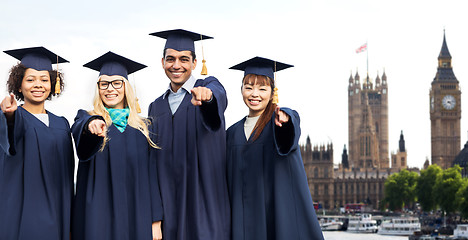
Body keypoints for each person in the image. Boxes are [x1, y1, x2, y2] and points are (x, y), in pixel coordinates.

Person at [227, 57, 324, 240]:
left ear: (273, 93)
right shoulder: (231, 134)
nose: (254, 94)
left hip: (273, 219)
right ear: (241, 90)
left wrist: (286, 120)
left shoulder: (277, 123)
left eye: (262, 89)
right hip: (240, 223)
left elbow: (289, 133)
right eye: (248, 87)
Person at [70, 51, 163, 240]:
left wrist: (156, 222)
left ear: (126, 87)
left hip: (136, 213)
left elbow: (152, 177)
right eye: (103, 84)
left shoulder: (143, 128)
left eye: (116, 83)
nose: (109, 89)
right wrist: (92, 125)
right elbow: (80, 131)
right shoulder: (87, 117)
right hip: (97, 214)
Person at [148, 29, 230, 240]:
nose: (176, 65)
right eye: (170, 59)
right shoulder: (155, 107)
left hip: (204, 207)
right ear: (162, 62)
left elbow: (217, 100)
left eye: (184, 59)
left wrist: (208, 99)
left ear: (194, 63)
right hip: (169, 212)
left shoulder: (209, 87)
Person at [0, 47, 74, 240]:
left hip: (57, 213)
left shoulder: (62, 124)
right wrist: (9, 115)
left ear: (52, 85)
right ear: (19, 85)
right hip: (21, 215)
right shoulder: (13, 115)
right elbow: (9, 131)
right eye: (30, 79)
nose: (38, 85)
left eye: (44, 79)